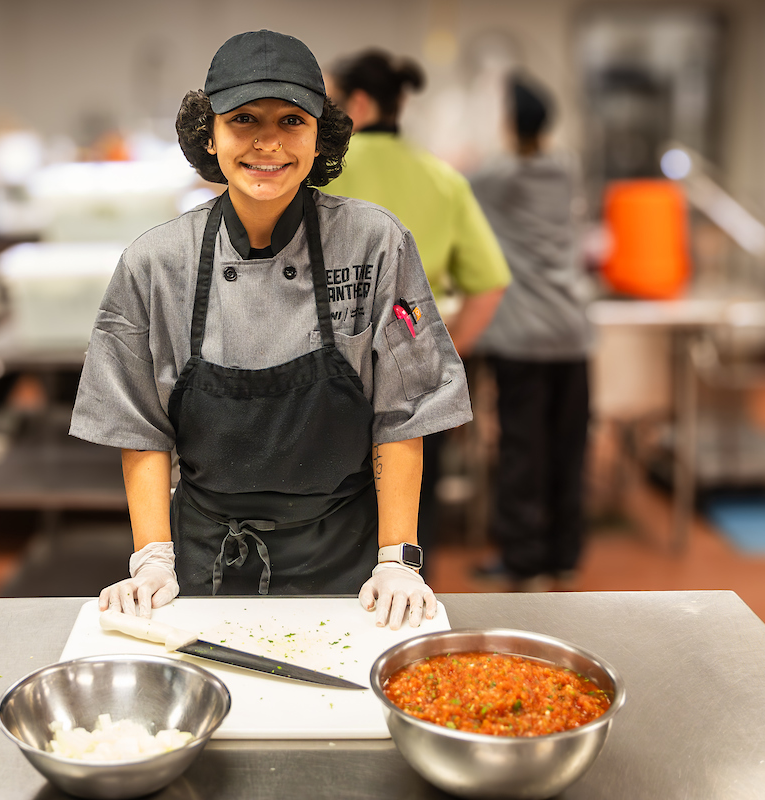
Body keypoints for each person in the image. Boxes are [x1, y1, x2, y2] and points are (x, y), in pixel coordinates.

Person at [68, 30, 474, 629]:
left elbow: (405, 410)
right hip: (204, 562)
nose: (268, 142)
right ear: (210, 134)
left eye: (291, 120)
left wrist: (398, 559)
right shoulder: (155, 264)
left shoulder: (374, 243)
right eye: (243, 120)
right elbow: (140, 424)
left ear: (320, 135)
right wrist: (153, 557)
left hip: (352, 566)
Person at [324, 50, 511, 576]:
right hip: (415, 362)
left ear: (357, 103)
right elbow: (490, 284)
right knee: (414, 504)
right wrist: (444, 352)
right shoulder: (442, 178)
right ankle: (408, 606)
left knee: (331, 507)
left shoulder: (320, 172)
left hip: (330, 372)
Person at [468, 73, 595, 591]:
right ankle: (563, 553)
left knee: (523, 448)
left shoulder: (498, 176)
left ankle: (523, 558)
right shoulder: (566, 168)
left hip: (522, 335)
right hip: (571, 331)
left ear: (508, 122)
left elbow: (455, 182)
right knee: (569, 445)